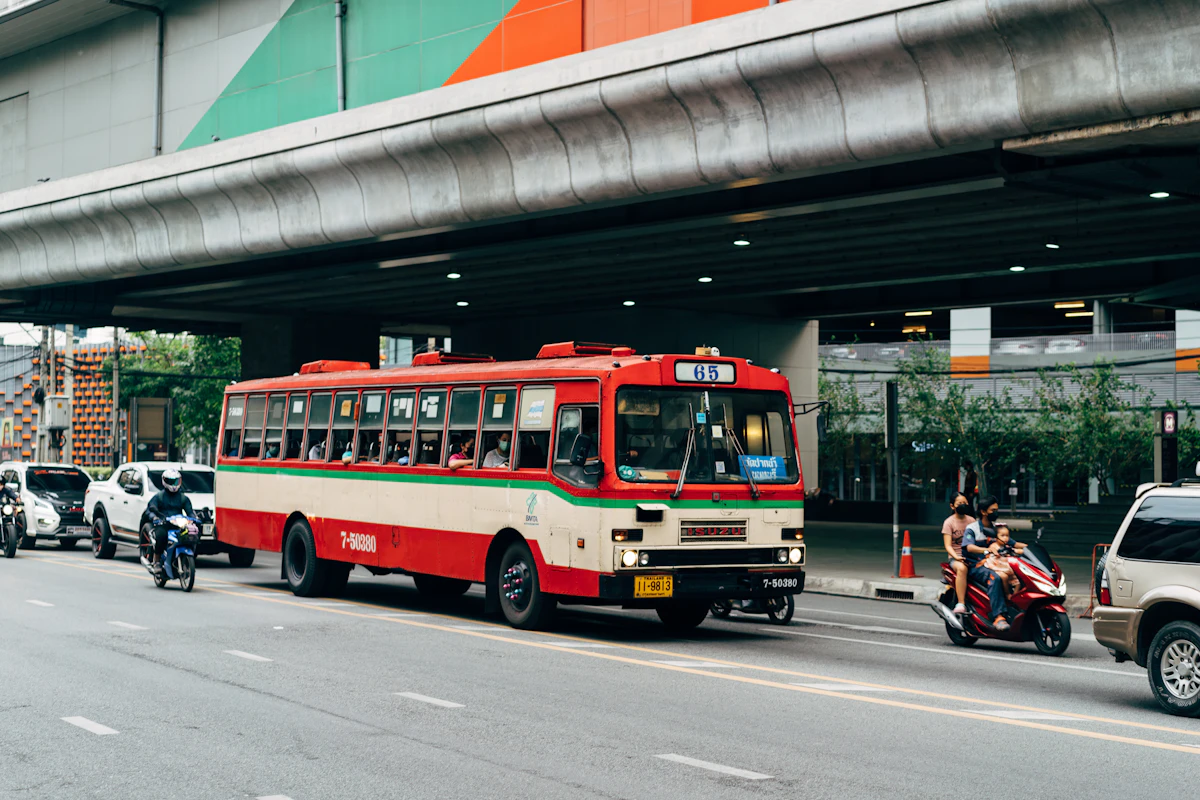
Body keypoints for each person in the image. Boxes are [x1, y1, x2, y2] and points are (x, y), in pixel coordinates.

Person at [961, 495, 1010, 631]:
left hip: (994, 563)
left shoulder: (997, 529)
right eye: (992, 510)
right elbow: (969, 547)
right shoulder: (972, 528)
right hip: (975, 565)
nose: (996, 513)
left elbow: (1011, 543)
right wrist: (986, 550)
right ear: (983, 512)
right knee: (995, 577)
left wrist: (1028, 548)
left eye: (997, 510)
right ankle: (998, 616)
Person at [145, 468, 195, 572]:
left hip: (179, 525)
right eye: (171, 481)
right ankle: (157, 561)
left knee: (191, 536)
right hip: (163, 524)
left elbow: (190, 512)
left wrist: (194, 519)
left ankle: (186, 560)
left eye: (176, 481)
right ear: (164, 481)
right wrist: (155, 518)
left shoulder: (183, 498)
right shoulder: (159, 497)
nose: (174, 484)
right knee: (161, 536)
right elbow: (150, 509)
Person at [941, 492, 974, 616]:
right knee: (962, 568)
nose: (963, 505)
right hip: (956, 557)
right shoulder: (949, 523)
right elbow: (948, 546)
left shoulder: (971, 520)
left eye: (965, 503)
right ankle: (961, 603)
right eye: (960, 503)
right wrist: (956, 557)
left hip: (971, 555)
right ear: (952, 506)